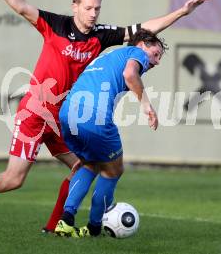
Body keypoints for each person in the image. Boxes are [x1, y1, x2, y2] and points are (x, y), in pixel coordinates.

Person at [0, 0, 209, 232]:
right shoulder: (56, 25)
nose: (93, 14)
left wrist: (182, 12)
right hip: (36, 113)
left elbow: (144, 30)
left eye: (97, 8)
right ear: (75, 6)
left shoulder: (101, 35)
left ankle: (55, 228)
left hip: (64, 116)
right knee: (13, 179)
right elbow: (21, 5)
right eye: (88, 8)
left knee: (83, 167)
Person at [54, 29, 165, 237]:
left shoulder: (108, 57)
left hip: (67, 114)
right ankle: (94, 227)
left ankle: (65, 221)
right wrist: (147, 106)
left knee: (90, 163)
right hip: (94, 117)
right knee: (113, 170)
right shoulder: (135, 52)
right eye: (156, 54)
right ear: (141, 45)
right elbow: (130, 75)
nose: (157, 61)